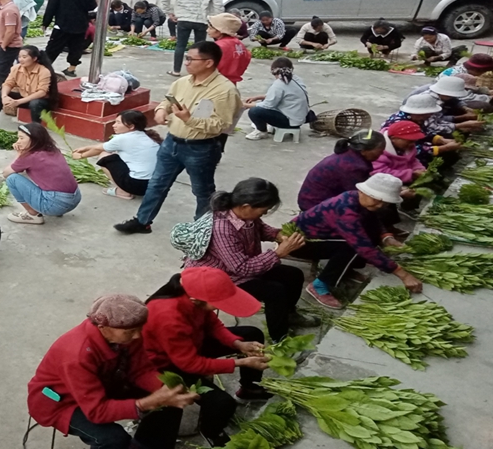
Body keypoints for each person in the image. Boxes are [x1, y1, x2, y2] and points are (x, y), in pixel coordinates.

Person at [27, 294, 197, 449]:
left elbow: (140, 370)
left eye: (140, 329)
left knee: (171, 402)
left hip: (104, 383)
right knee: (113, 439)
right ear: (102, 327)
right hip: (62, 402)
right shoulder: (77, 355)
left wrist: (165, 388)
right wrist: (147, 403)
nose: (137, 336)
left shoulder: (127, 335)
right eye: (130, 332)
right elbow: (97, 412)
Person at [116, 42, 241, 234]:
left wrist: (189, 120)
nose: (186, 63)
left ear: (208, 62)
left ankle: (202, 230)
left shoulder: (225, 90)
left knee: (202, 190)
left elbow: (222, 125)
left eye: (191, 59)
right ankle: (142, 221)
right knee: (157, 184)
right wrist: (160, 111)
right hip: (171, 143)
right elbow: (167, 100)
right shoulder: (182, 82)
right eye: (186, 58)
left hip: (201, 148)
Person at [142, 269, 269, 447]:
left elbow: (212, 323)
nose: (218, 308)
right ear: (195, 300)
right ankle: (210, 431)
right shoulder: (168, 316)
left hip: (190, 345)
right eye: (217, 304)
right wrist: (240, 362)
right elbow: (189, 364)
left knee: (251, 334)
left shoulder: (194, 295)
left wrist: (237, 344)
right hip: (167, 364)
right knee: (222, 403)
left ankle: (249, 388)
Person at [180, 180, 316, 340]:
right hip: (223, 277)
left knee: (294, 275)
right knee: (275, 291)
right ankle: (280, 339)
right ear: (246, 206)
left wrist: (277, 234)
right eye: (263, 211)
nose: (264, 214)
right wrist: (278, 253)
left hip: (243, 265)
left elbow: (261, 228)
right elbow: (241, 269)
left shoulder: (245, 214)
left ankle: (289, 314)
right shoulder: (222, 228)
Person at [292, 173, 423, 309]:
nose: (380, 205)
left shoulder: (358, 198)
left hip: (327, 236)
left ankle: (345, 269)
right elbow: (364, 248)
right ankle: (319, 285)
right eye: (377, 199)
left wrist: (386, 236)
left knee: (367, 232)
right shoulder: (345, 210)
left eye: (385, 202)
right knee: (353, 247)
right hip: (300, 243)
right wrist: (403, 274)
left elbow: (373, 219)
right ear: (362, 191)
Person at [72, 110, 161, 199]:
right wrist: (86, 148)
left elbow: (99, 149)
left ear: (131, 126)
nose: (114, 125)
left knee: (104, 156)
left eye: (118, 123)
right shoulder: (147, 136)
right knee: (114, 153)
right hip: (155, 185)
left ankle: (123, 191)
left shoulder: (123, 138)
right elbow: (103, 146)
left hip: (137, 185)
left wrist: (81, 156)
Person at [3, 122, 82, 224]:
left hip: (55, 205)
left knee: (12, 179)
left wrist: (19, 154)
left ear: (34, 139)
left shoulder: (30, 157)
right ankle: (57, 208)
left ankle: (32, 215)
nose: (18, 142)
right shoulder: (54, 149)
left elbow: (6, 173)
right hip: (75, 199)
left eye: (21, 138)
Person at [161, 0, 225, 77]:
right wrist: (216, 20)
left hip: (183, 19)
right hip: (202, 20)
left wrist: (170, 13)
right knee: (200, 48)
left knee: (180, 45)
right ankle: (198, 72)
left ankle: (176, 70)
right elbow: (218, 5)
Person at [297, 130, 386, 211]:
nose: (381, 153)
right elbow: (360, 197)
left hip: (309, 199)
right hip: (314, 206)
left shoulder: (349, 155)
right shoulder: (353, 167)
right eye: (379, 150)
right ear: (363, 151)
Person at [0, 46, 57, 132]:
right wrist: (4, 96)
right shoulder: (16, 68)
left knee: (35, 103)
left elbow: (42, 92)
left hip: (40, 101)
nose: (20, 60)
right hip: (24, 97)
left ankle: (35, 129)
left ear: (34, 58)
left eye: (24, 57)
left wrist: (18, 102)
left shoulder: (44, 71)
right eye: (19, 57)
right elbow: (8, 83)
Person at [42, 0, 98, 77]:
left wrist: (45, 22)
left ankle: (44, 69)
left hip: (62, 24)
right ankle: (71, 68)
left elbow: (51, 7)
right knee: (76, 47)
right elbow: (92, 6)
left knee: (53, 47)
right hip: (80, 24)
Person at [382, 94, 467, 164]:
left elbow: (424, 133)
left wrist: (441, 140)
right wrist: (444, 148)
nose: (430, 116)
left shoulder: (416, 118)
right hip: (399, 153)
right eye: (428, 114)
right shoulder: (401, 123)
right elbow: (413, 148)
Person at [243, 57, 310, 140]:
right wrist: (257, 97)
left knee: (254, 111)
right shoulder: (296, 79)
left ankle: (261, 131)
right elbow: (277, 96)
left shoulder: (279, 84)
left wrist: (247, 105)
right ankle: (266, 124)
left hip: (290, 121)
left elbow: (268, 105)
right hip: (299, 118)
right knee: (263, 102)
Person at [0, 0, 25, 85]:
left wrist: (3, 45)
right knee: (5, 71)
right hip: (6, 44)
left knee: (2, 73)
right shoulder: (6, 8)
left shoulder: (9, 10)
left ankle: (7, 92)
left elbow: (10, 31)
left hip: (10, 45)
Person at [207, 12, 250, 84]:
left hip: (215, 83)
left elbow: (208, 66)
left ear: (220, 30)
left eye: (210, 28)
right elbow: (246, 59)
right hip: (231, 82)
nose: (207, 30)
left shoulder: (217, 46)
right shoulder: (239, 44)